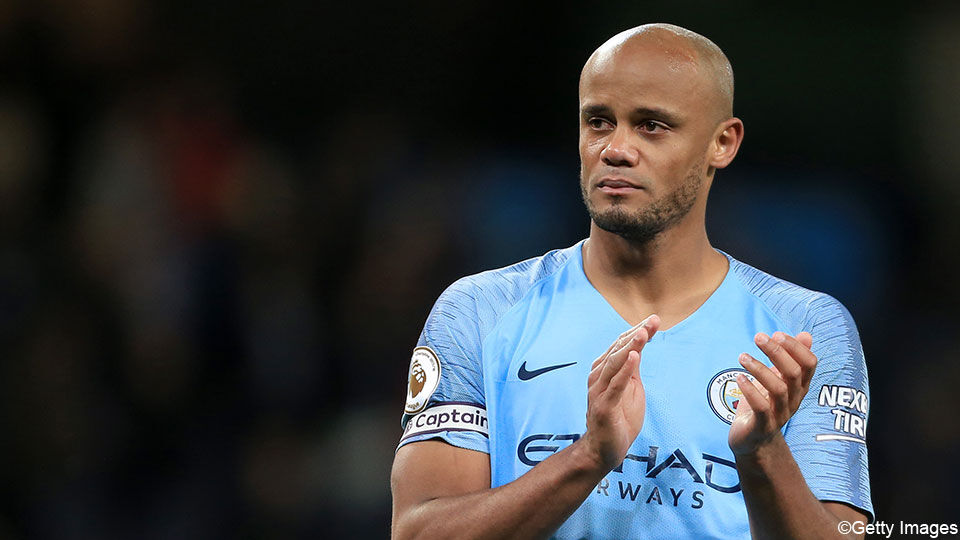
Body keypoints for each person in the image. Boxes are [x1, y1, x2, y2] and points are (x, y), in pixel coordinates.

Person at [390, 23, 873, 540]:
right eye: (598, 122)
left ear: (722, 142)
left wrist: (763, 453)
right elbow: (418, 532)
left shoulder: (804, 329)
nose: (615, 149)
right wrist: (587, 458)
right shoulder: (482, 311)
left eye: (651, 126)